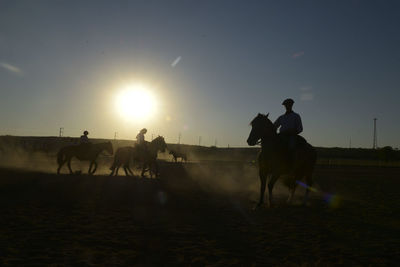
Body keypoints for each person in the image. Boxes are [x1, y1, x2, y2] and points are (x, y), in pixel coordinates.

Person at [274, 98, 303, 163]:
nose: (287, 106)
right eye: (286, 105)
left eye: (288, 105)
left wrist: (293, 131)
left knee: (291, 146)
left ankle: (291, 162)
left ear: (291, 105)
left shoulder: (296, 116)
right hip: (281, 135)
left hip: (291, 136)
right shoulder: (281, 117)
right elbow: (274, 126)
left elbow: (300, 128)